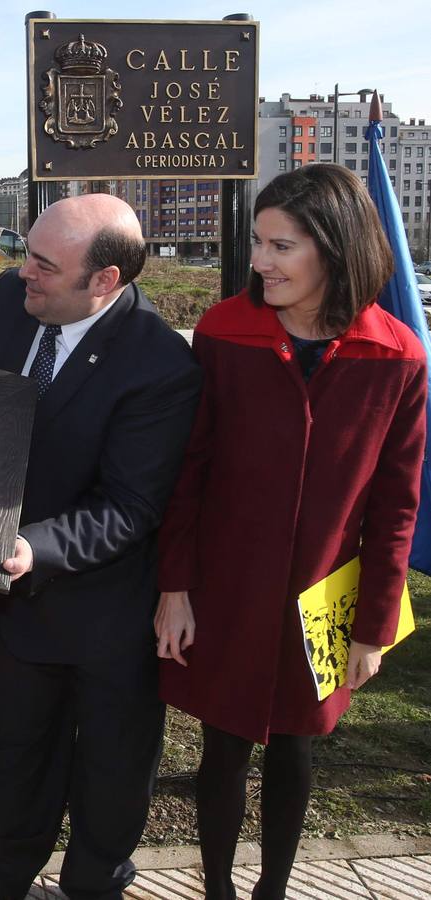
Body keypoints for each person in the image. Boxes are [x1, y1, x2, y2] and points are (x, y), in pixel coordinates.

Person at [154, 163, 426, 900]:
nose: (258, 262)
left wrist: (372, 626)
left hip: (321, 596)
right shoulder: (222, 333)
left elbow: (395, 503)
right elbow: (189, 472)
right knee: (221, 748)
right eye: (257, 242)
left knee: (296, 750)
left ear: (333, 250)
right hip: (226, 587)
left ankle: (272, 891)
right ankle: (214, 890)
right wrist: (173, 587)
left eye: (280, 247)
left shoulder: (396, 353)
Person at [0, 193, 202, 900]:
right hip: (18, 614)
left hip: (109, 623)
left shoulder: (159, 366)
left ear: (104, 281)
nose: (20, 272)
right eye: (25, 253)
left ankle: (93, 886)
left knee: (110, 785)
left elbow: (127, 509)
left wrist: (26, 549)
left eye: (42, 264)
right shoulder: (10, 299)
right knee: (15, 770)